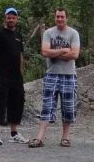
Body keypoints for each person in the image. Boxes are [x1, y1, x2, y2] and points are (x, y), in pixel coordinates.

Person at [30, 8, 80, 148]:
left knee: (68, 106)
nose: (60, 19)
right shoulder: (48, 33)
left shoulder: (73, 33)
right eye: (57, 16)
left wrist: (54, 53)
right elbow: (45, 52)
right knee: (47, 105)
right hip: (51, 74)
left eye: (62, 17)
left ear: (66, 18)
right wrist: (63, 50)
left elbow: (74, 55)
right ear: (55, 18)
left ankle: (65, 138)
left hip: (69, 75)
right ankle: (39, 138)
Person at [0, 6, 28, 145]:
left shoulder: (18, 36)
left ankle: (14, 133)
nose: (11, 20)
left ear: (17, 19)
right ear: (5, 19)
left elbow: (20, 56)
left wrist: (21, 73)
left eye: (13, 17)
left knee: (17, 103)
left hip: (16, 77)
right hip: (2, 75)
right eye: (8, 17)